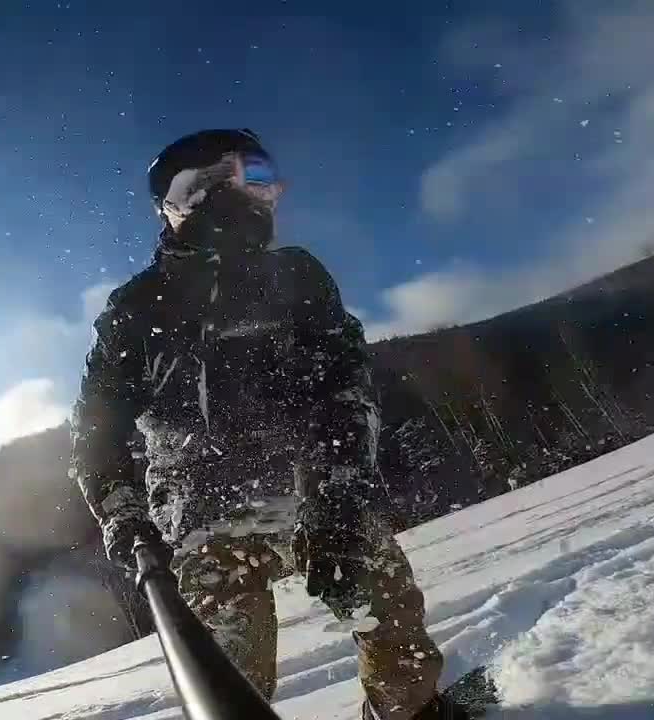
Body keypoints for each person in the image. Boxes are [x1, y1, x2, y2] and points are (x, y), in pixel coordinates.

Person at [71, 129, 457, 720]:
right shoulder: (137, 309)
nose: (262, 195)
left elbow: (344, 386)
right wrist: (124, 513)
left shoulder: (296, 277)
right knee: (230, 673)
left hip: (311, 489)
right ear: (192, 196)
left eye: (263, 178)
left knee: (388, 622)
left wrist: (337, 492)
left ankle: (409, 714)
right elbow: (98, 430)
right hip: (201, 511)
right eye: (244, 179)